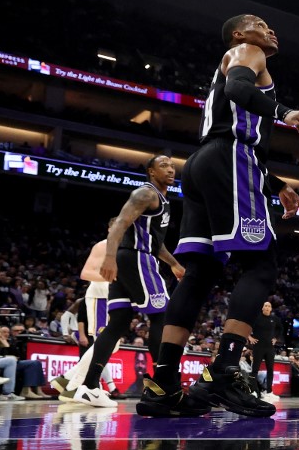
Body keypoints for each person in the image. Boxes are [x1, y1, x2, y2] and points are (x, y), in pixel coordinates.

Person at [139, 14, 299, 418]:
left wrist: (277, 186)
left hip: (205, 163)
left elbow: (231, 121)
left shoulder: (242, 56)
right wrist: (287, 112)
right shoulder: (247, 52)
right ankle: (224, 369)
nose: (270, 29)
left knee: (201, 272)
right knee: (262, 265)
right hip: (231, 159)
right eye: (260, 23)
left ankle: (164, 382)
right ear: (240, 34)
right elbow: (240, 92)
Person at [67, 156, 185, 408]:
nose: (171, 169)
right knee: (161, 317)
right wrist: (109, 257)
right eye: (164, 165)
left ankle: (89, 386)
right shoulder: (146, 193)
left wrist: (173, 263)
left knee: (118, 323)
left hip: (134, 258)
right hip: (137, 259)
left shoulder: (163, 199)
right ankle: (166, 385)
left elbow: (156, 242)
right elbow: (120, 223)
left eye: (173, 165)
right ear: (151, 172)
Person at [50, 220, 121, 401]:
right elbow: (85, 273)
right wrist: (114, 278)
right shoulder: (103, 245)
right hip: (100, 297)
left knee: (110, 345)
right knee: (104, 343)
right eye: (117, 225)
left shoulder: (126, 249)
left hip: (115, 299)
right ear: (109, 228)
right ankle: (74, 386)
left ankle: (67, 380)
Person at [249, 301, 283, 402]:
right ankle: (253, 391)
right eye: (265, 306)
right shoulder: (256, 317)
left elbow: (280, 329)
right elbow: (246, 327)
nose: (267, 307)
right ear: (262, 308)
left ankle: (269, 392)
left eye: (269, 306)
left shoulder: (274, 319)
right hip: (258, 347)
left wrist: (276, 338)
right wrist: (249, 337)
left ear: (271, 309)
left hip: (269, 348)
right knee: (254, 370)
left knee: (270, 370)